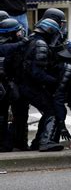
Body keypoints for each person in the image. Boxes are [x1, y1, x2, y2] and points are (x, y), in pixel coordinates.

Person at [20, 18, 63, 152]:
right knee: (52, 110)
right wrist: (55, 81)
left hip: (23, 84)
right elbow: (37, 73)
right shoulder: (41, 44)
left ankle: (37, 142)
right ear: (49, 31)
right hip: (31, 86)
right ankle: (45, 141)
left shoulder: (31, 40)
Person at [0, 18, 29, 151]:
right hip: (5, 86)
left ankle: (18, 142)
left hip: (15, 85)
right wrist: (23, 43)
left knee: (20, 116)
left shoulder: (17, 44)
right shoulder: (9, 46)